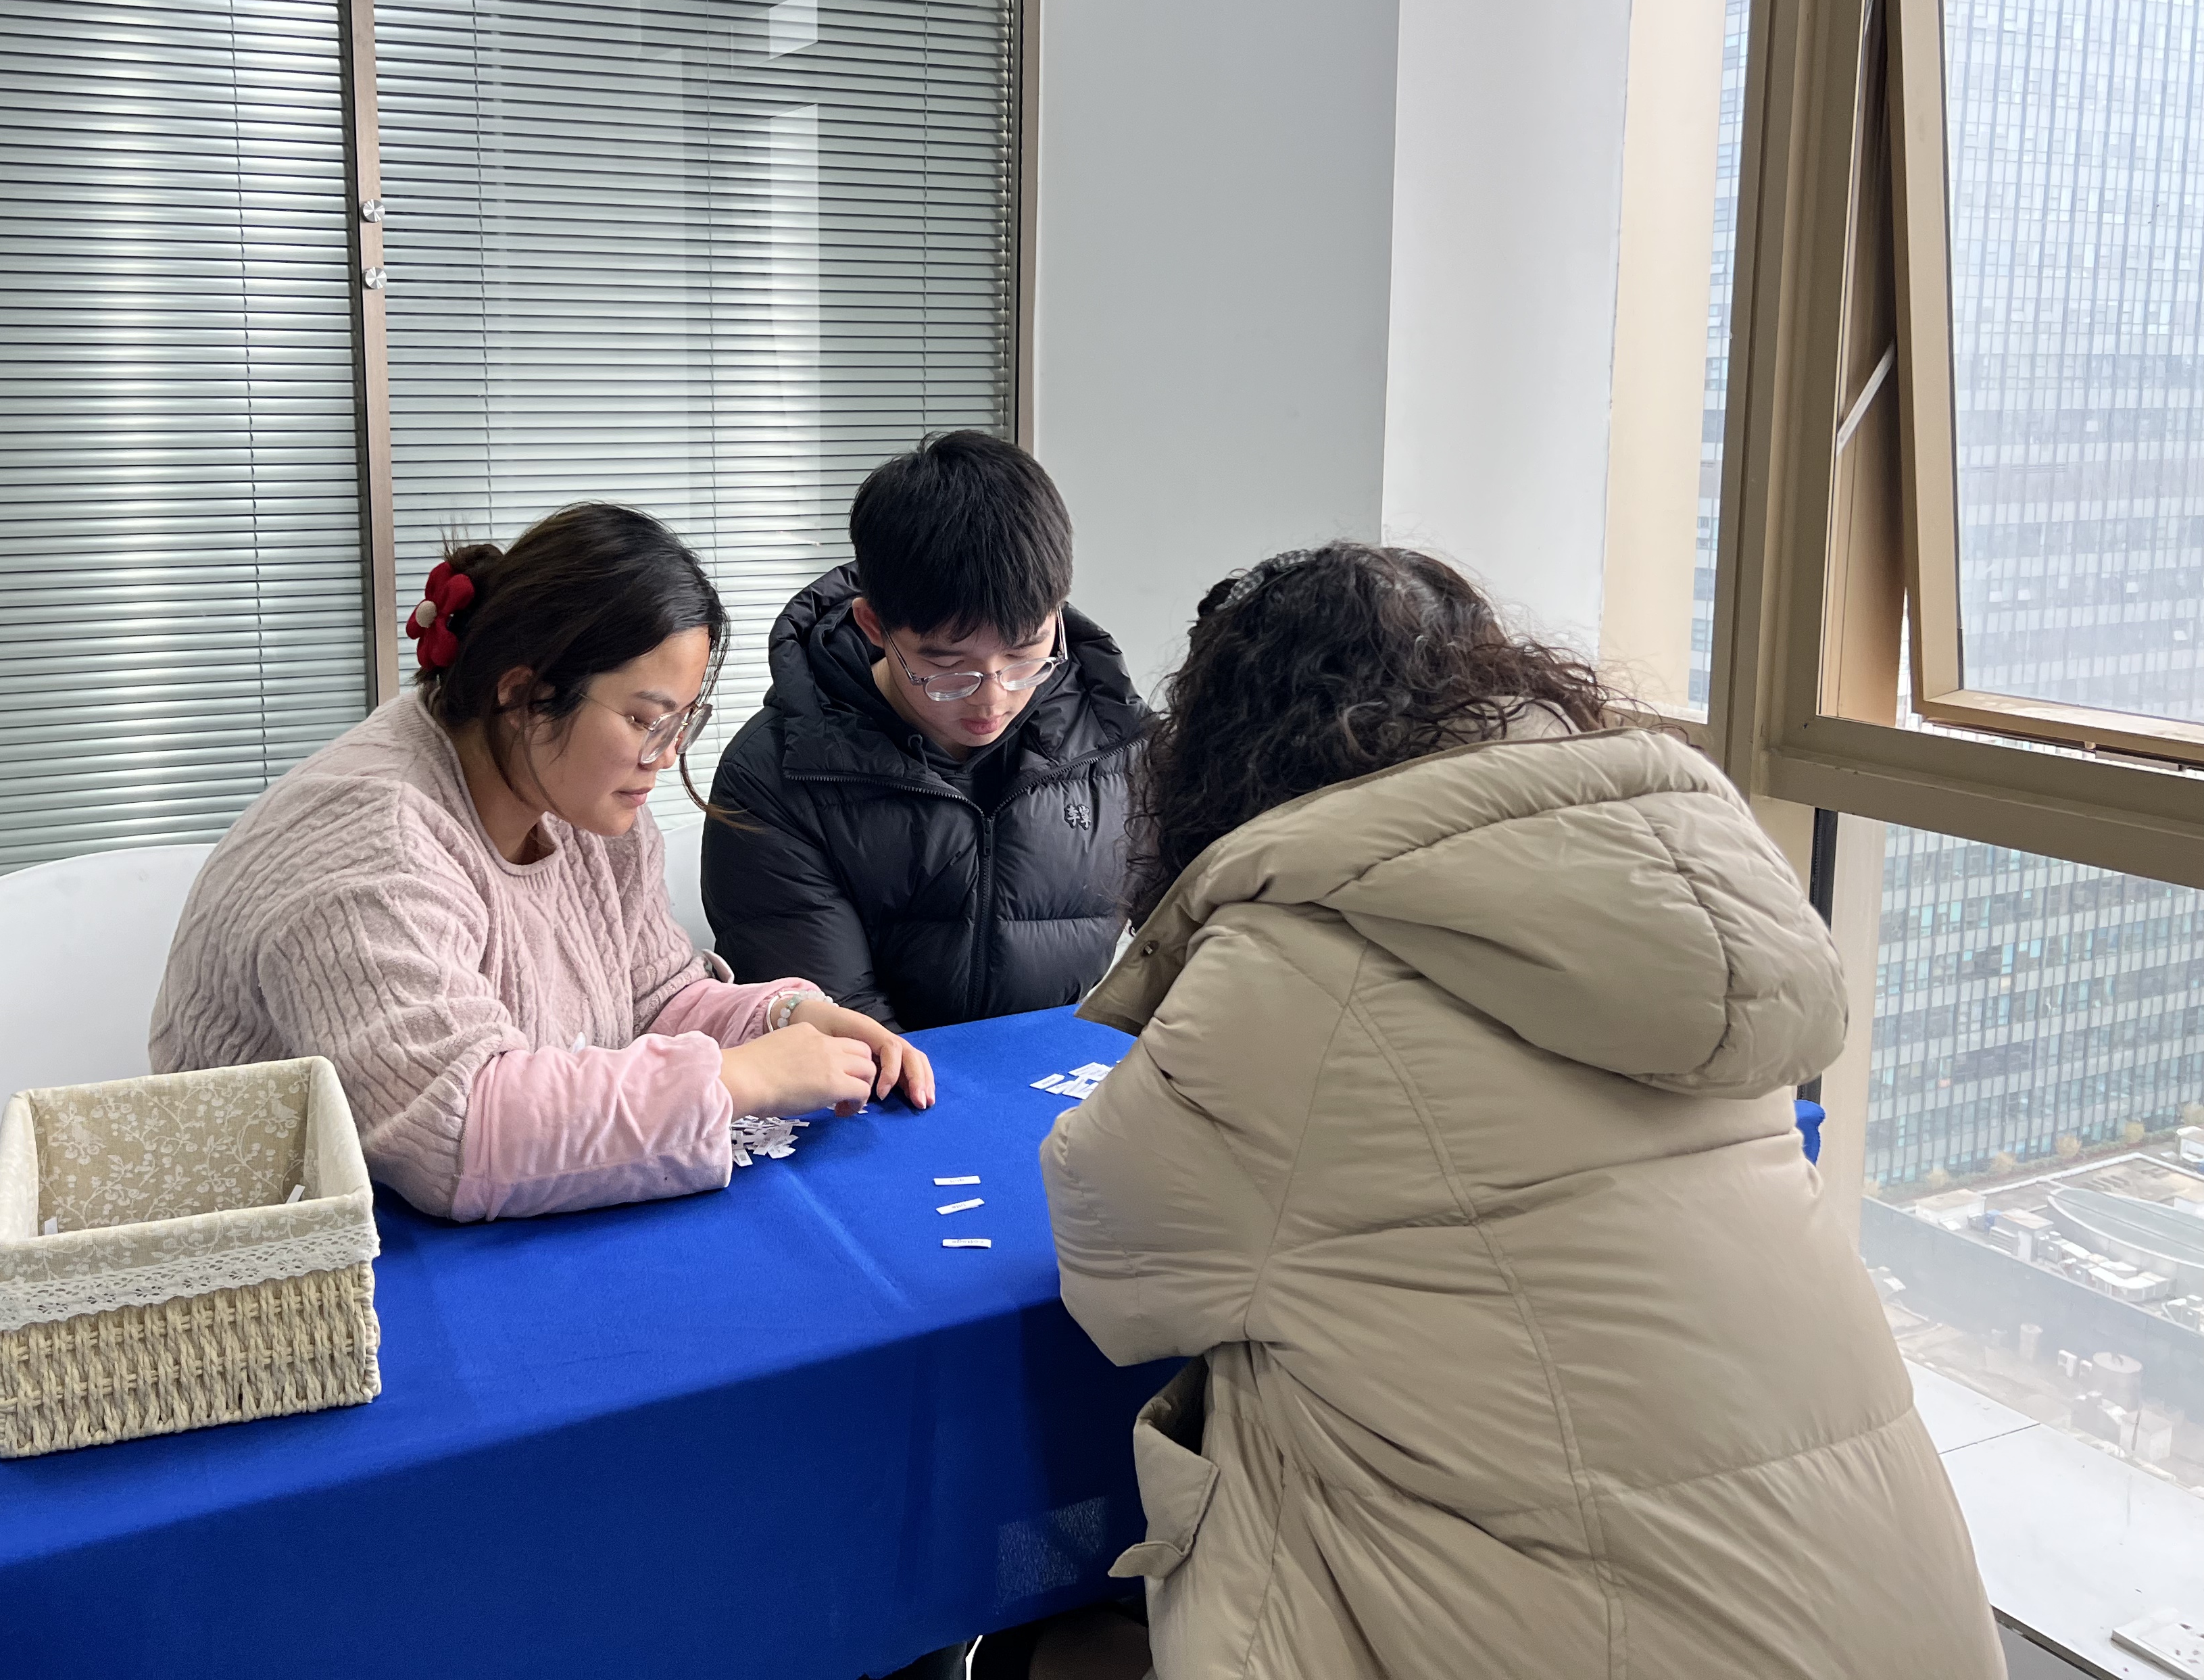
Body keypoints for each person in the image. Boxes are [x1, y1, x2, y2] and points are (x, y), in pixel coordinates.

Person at [1039, 543, 2004, 1680]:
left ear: (1222, 750)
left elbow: (1114, 1264)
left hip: (1588, 1633)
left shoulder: (1290, 969)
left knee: (1061, 1637)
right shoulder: (1686, 909)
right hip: (1907, 1619)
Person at [151, 503, 932, 1221]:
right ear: (525, 695)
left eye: (680, 723)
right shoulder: (370, 847)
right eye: (645, 721)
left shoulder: (577, 797)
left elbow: (653, 999)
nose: (666, 757)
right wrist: (745, 1077)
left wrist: (783, 1019)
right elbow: (458, 1132)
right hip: (265, 1262)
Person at [702, 429, 1145, 1028]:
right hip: (880, 1079)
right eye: (947, 666)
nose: (993, 696)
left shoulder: (1118, 742)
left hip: (1068, 1073)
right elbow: (839, 1027)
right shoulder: (773, 778)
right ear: (873, 626)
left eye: (1025, 655)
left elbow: (1193, 941)